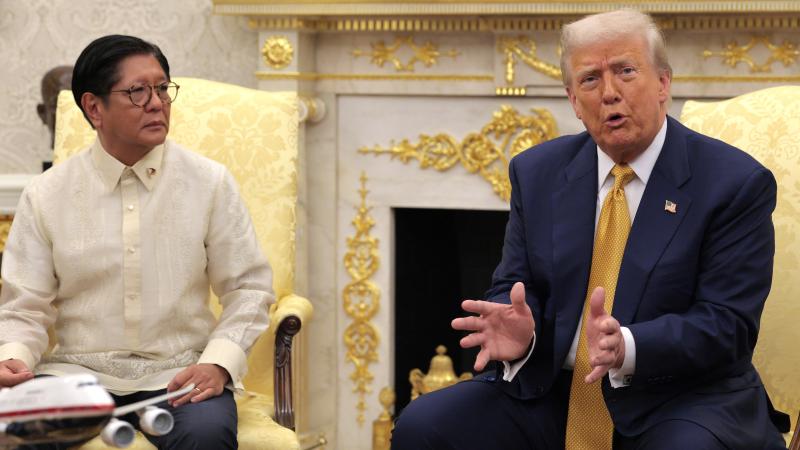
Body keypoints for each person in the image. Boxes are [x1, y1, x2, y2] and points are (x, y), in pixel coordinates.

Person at [392, 9, 787, 450]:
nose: (610, 93)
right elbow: (514, 285)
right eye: (590, 79)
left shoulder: (733, 182)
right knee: (424, 425)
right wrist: (524, 332)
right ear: (574, 101)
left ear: (663, 83)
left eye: (626, 71)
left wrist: (628, 346)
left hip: (680, 398)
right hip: (554, 392)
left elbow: (728, 325)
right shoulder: (537, 172)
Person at [0, 35, 273, 450]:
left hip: (180, 375)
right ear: (94, 108)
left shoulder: (209, 183)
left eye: (162, 88)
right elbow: (24, 305)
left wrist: (219, 363)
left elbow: (248, 289)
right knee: (21, 434)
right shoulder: (46, 194)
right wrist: (13, 357)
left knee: (207, 435)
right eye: (137, 92)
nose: (157, 103)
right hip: (75, 377)